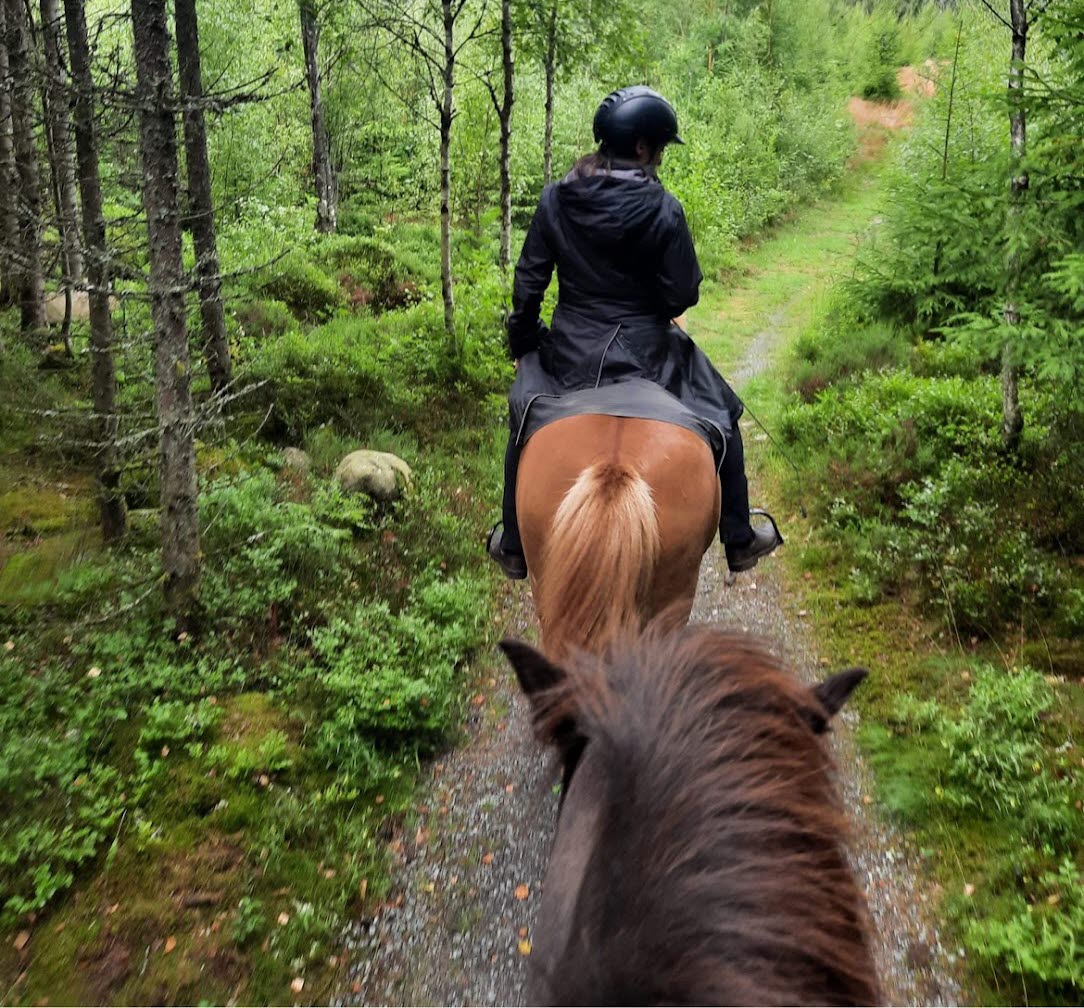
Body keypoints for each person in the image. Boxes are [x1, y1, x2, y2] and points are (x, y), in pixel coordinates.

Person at [488, 85, 782, 580]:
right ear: (642, 147)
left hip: (572, 354)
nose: (661, 158)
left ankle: (514, 542)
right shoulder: (665, 208)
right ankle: (739, 536)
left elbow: (528, 286)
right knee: (724, 413)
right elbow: (681, 295)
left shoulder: (555, 199)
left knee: (523, 416)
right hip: (650, 356)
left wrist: (524, 342)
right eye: (660, 148)